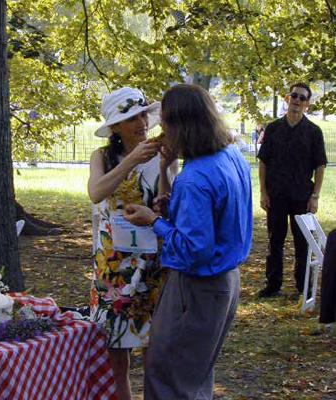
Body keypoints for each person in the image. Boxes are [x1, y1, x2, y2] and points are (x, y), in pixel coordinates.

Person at [124, 84, 253, 400]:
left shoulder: (195, 177)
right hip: (226, 283)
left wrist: (154, 221)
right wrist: (173, 205)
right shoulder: (231, 156)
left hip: (197, 287)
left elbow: (194, 250)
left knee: (167, 374)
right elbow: (219, 216)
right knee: (195, 373)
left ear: (180, 124)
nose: (160, 128)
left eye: (165, 121)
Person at [87, 87, 178, 400]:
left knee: (155, 349)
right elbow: (97, 192)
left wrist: (165, 168)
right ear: (115, 128)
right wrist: (130, 162)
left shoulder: (160, 151)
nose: (141, 123)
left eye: (142, 115)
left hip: (152, 262)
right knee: (116, 351)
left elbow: (167, 203)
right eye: (130, 118)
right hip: (112, 266)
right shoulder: (101, 156)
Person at [257, 82, 327, 298]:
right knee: (274, 242)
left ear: (307, 104)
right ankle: (273, 285)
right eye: (294, 96)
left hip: (301, 197)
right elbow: (263, 163)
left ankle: (303, 287)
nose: (297, 101)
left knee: (302, 245)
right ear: (288, 99)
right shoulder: (273, 128)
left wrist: (314, 196)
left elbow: (320, 166)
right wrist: (263, 192)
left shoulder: (314, 132)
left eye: (302, 98)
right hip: (275, 196)